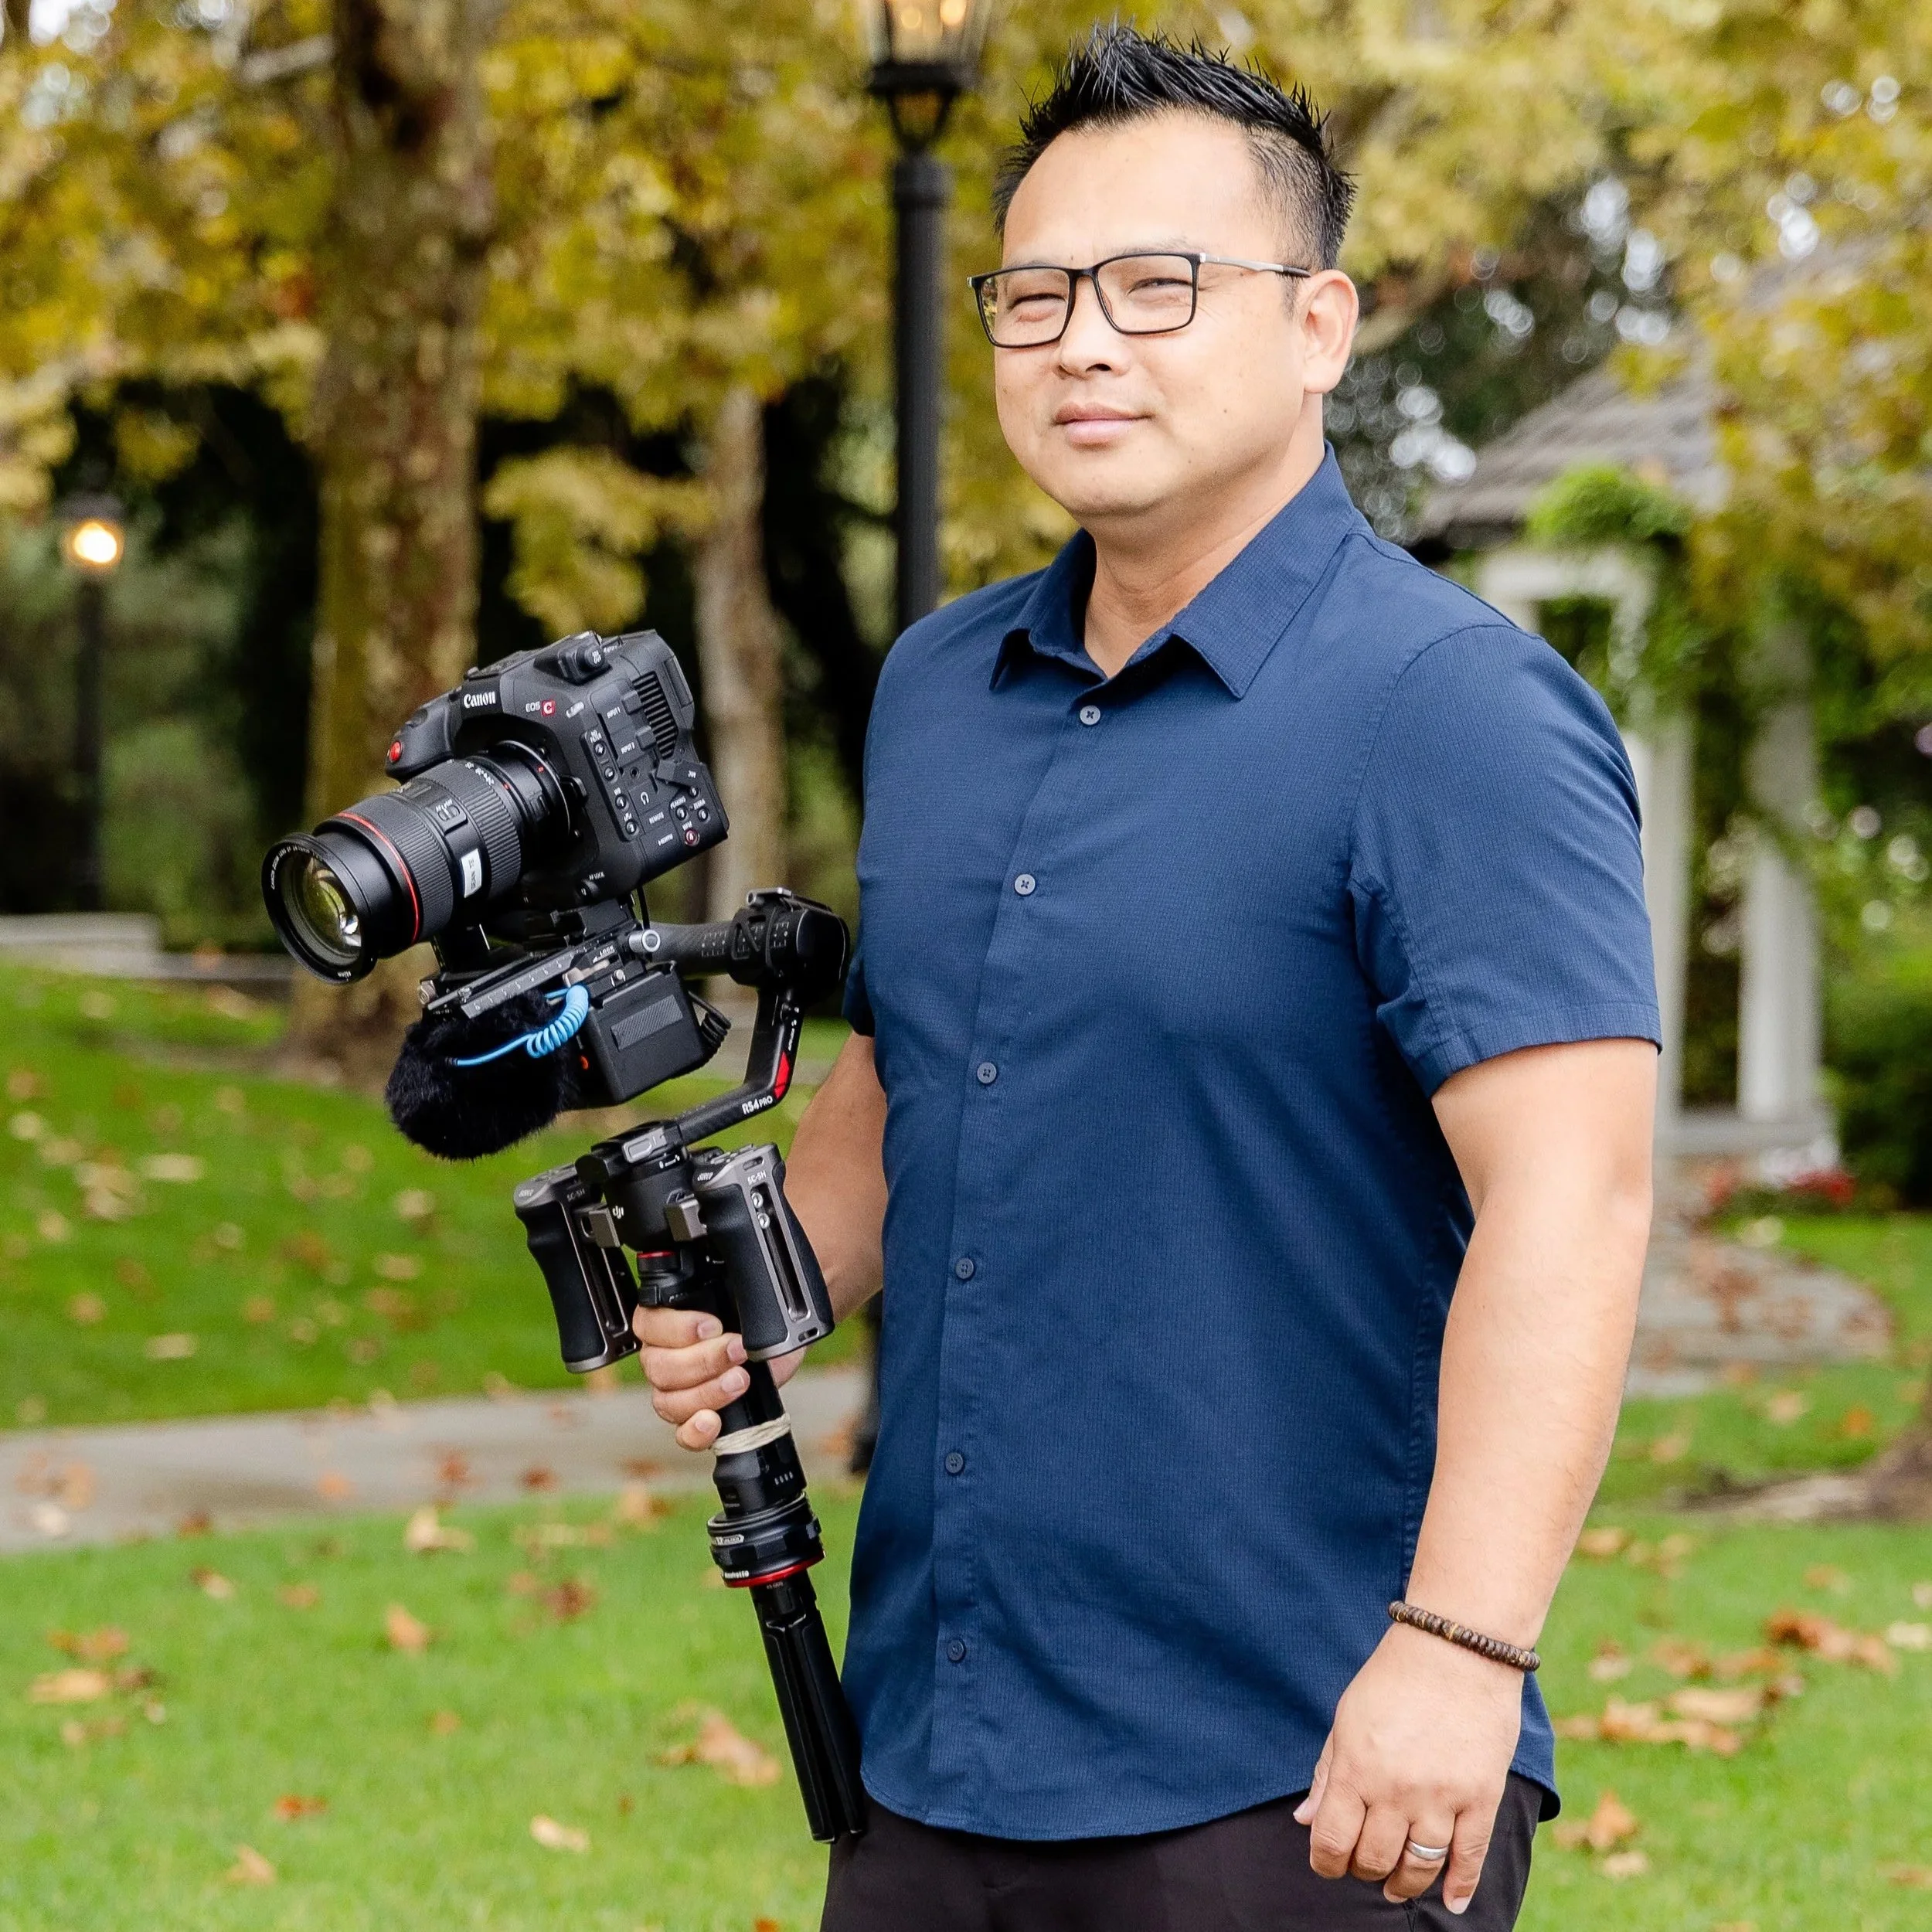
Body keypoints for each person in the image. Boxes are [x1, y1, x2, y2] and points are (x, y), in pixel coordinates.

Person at [638, 25, 1658, 1932]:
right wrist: (781, 1280)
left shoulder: (1456, 713)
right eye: (1033, 292)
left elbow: (1574, 1193)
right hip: (931, 1747)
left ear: (1319, 326)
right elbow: (908, 1067)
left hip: (1305, 1764)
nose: (1080, 340)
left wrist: (1458, 1644)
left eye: (1154, 286)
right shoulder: (938, 685)